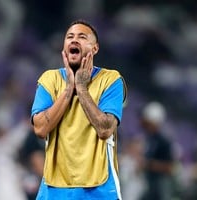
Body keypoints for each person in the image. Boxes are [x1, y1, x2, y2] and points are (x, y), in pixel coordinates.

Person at [31, 19, 127, 200]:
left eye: (82, 37)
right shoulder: (49, 80)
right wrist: (69, 89)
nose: (74, 40)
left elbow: (105, 129)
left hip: (99, 188)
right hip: (54, 187)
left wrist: (81, 88)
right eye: (70, 37)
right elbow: (40, 128)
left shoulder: (111, 80)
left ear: (95, 48)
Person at [139, 101, 174, 200]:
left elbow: (169, 167)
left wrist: (148, 164)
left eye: (149, 123)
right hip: (148, 182)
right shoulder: (149, 138)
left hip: (158, 185)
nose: (146, 126)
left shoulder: (164, 141)